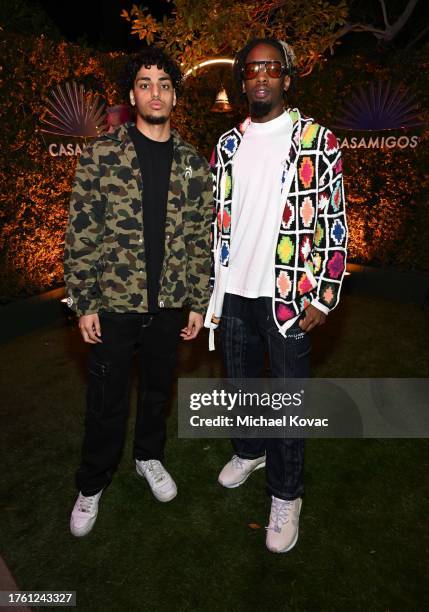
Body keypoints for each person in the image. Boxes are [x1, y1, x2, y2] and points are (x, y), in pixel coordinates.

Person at [205, 38, 347, 553]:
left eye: (271, 67)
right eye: (251, 68)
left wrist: (324, 296)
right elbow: (219, 224)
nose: (260, 75)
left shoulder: (316, 139)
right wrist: (212, 293)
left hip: (288, 295)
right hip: (235, 291)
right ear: (243, 81)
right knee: (241, 387)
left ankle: (286, 494)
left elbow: (334, 223)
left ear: (286, 78)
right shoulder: (227, 145)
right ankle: (249, 450)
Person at [64, 47, 212, 537]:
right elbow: (82, 231)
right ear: (132, 95)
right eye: (146, 83)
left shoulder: (193, 162)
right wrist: (83, 301)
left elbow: (199, 238)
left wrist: (198, 300)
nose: (155, 91)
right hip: (114, 302)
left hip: (170, 304)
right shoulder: (103, 154)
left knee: (155, 394)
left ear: (175, 95)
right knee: (106, 399)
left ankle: (149, 457)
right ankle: (92, 483)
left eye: (165, 83)